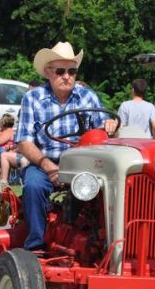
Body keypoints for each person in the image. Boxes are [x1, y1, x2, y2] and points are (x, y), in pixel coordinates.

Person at [14, 41, 117, 252]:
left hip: (82, 164)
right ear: (47, 73)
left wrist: (110, 125)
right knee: (34, 185)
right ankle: (36, 244)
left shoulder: (87, 96)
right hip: (44, 162)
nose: (67, 76)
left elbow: (102, 130)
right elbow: (24, 142)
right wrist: (47, 165)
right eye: (60, 71)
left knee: (112, 187)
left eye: (72, 71)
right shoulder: (33, 98)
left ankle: (105, 242)